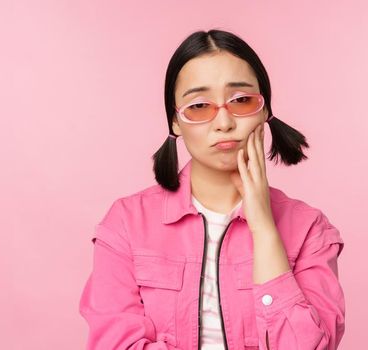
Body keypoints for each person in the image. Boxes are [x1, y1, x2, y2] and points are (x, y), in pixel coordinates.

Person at [78, 28, 346, 349]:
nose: (223, 122)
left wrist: (264, 228)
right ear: (175, 122)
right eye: (199, 106)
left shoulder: (310, 230)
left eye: (241, 100)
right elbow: (115, 344)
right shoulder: (125, 223)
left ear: (264, 112)